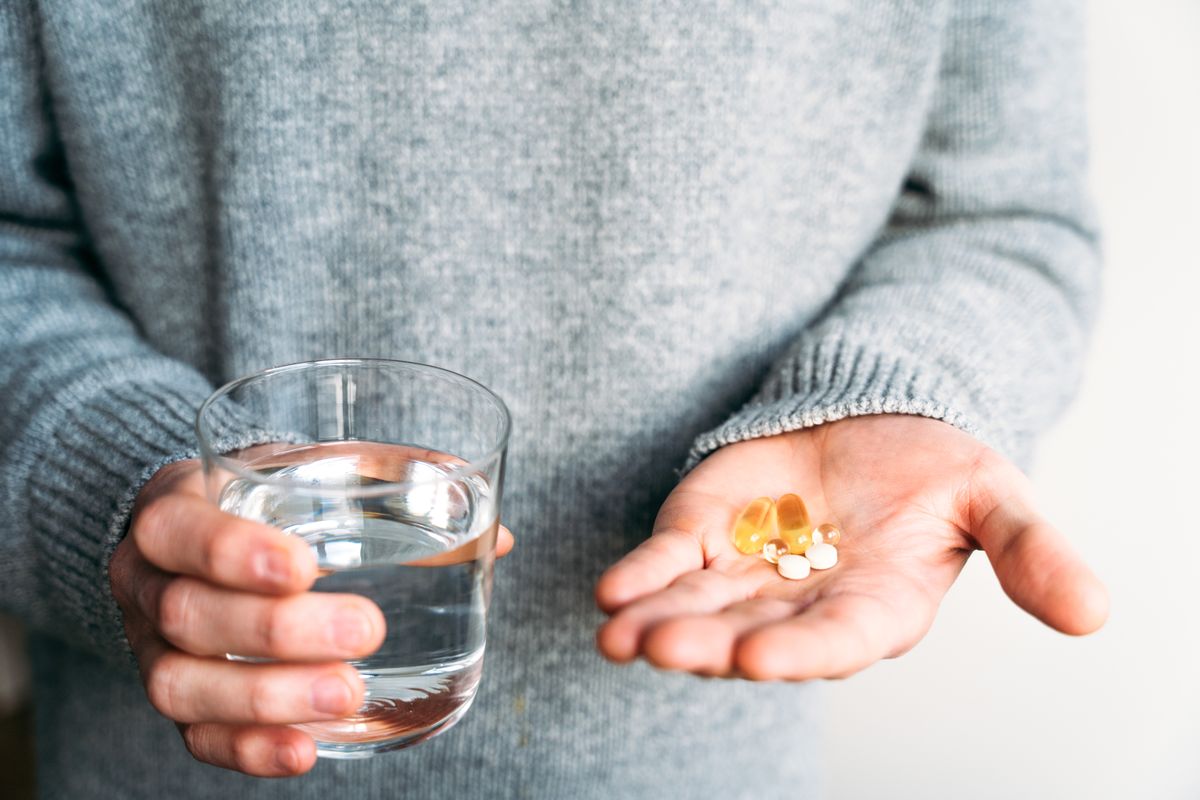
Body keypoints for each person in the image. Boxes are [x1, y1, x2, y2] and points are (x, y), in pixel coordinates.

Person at [0, 0, 1108, 797]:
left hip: (702, 756)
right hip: (153, 759)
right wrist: (114, 488)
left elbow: (999, 214)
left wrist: (893, 392)